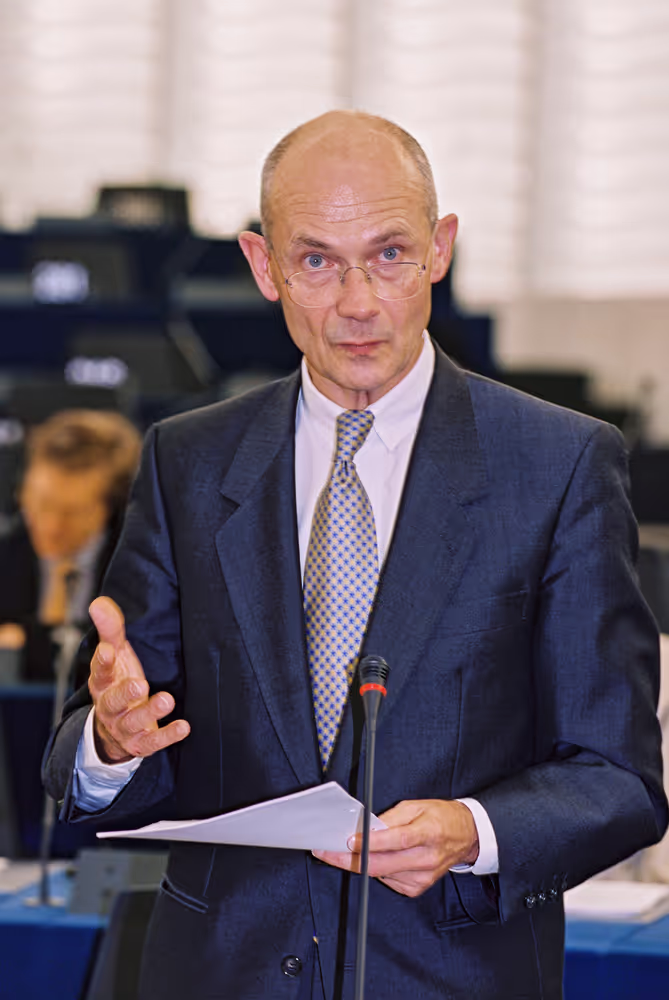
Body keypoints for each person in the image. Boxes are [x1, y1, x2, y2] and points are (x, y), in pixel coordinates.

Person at [43, 112, 667, 1000]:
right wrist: (111, 741)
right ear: (262, 267)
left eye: (389, 254)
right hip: (222, 974)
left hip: (450, 973)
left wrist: (474, 831)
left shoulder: (558, 464)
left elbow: (618, 779)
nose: (359, 301)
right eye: (316, 261)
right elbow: (106, 750)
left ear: (439, 249)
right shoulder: (188, 461)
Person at [0, 409, 141, 684]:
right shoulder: (6, 552)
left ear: (111, 508)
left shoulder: (140, 570)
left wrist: (27, 641)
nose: (51, 526)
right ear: (22, 490)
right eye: (42, 503)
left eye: (72, 513)